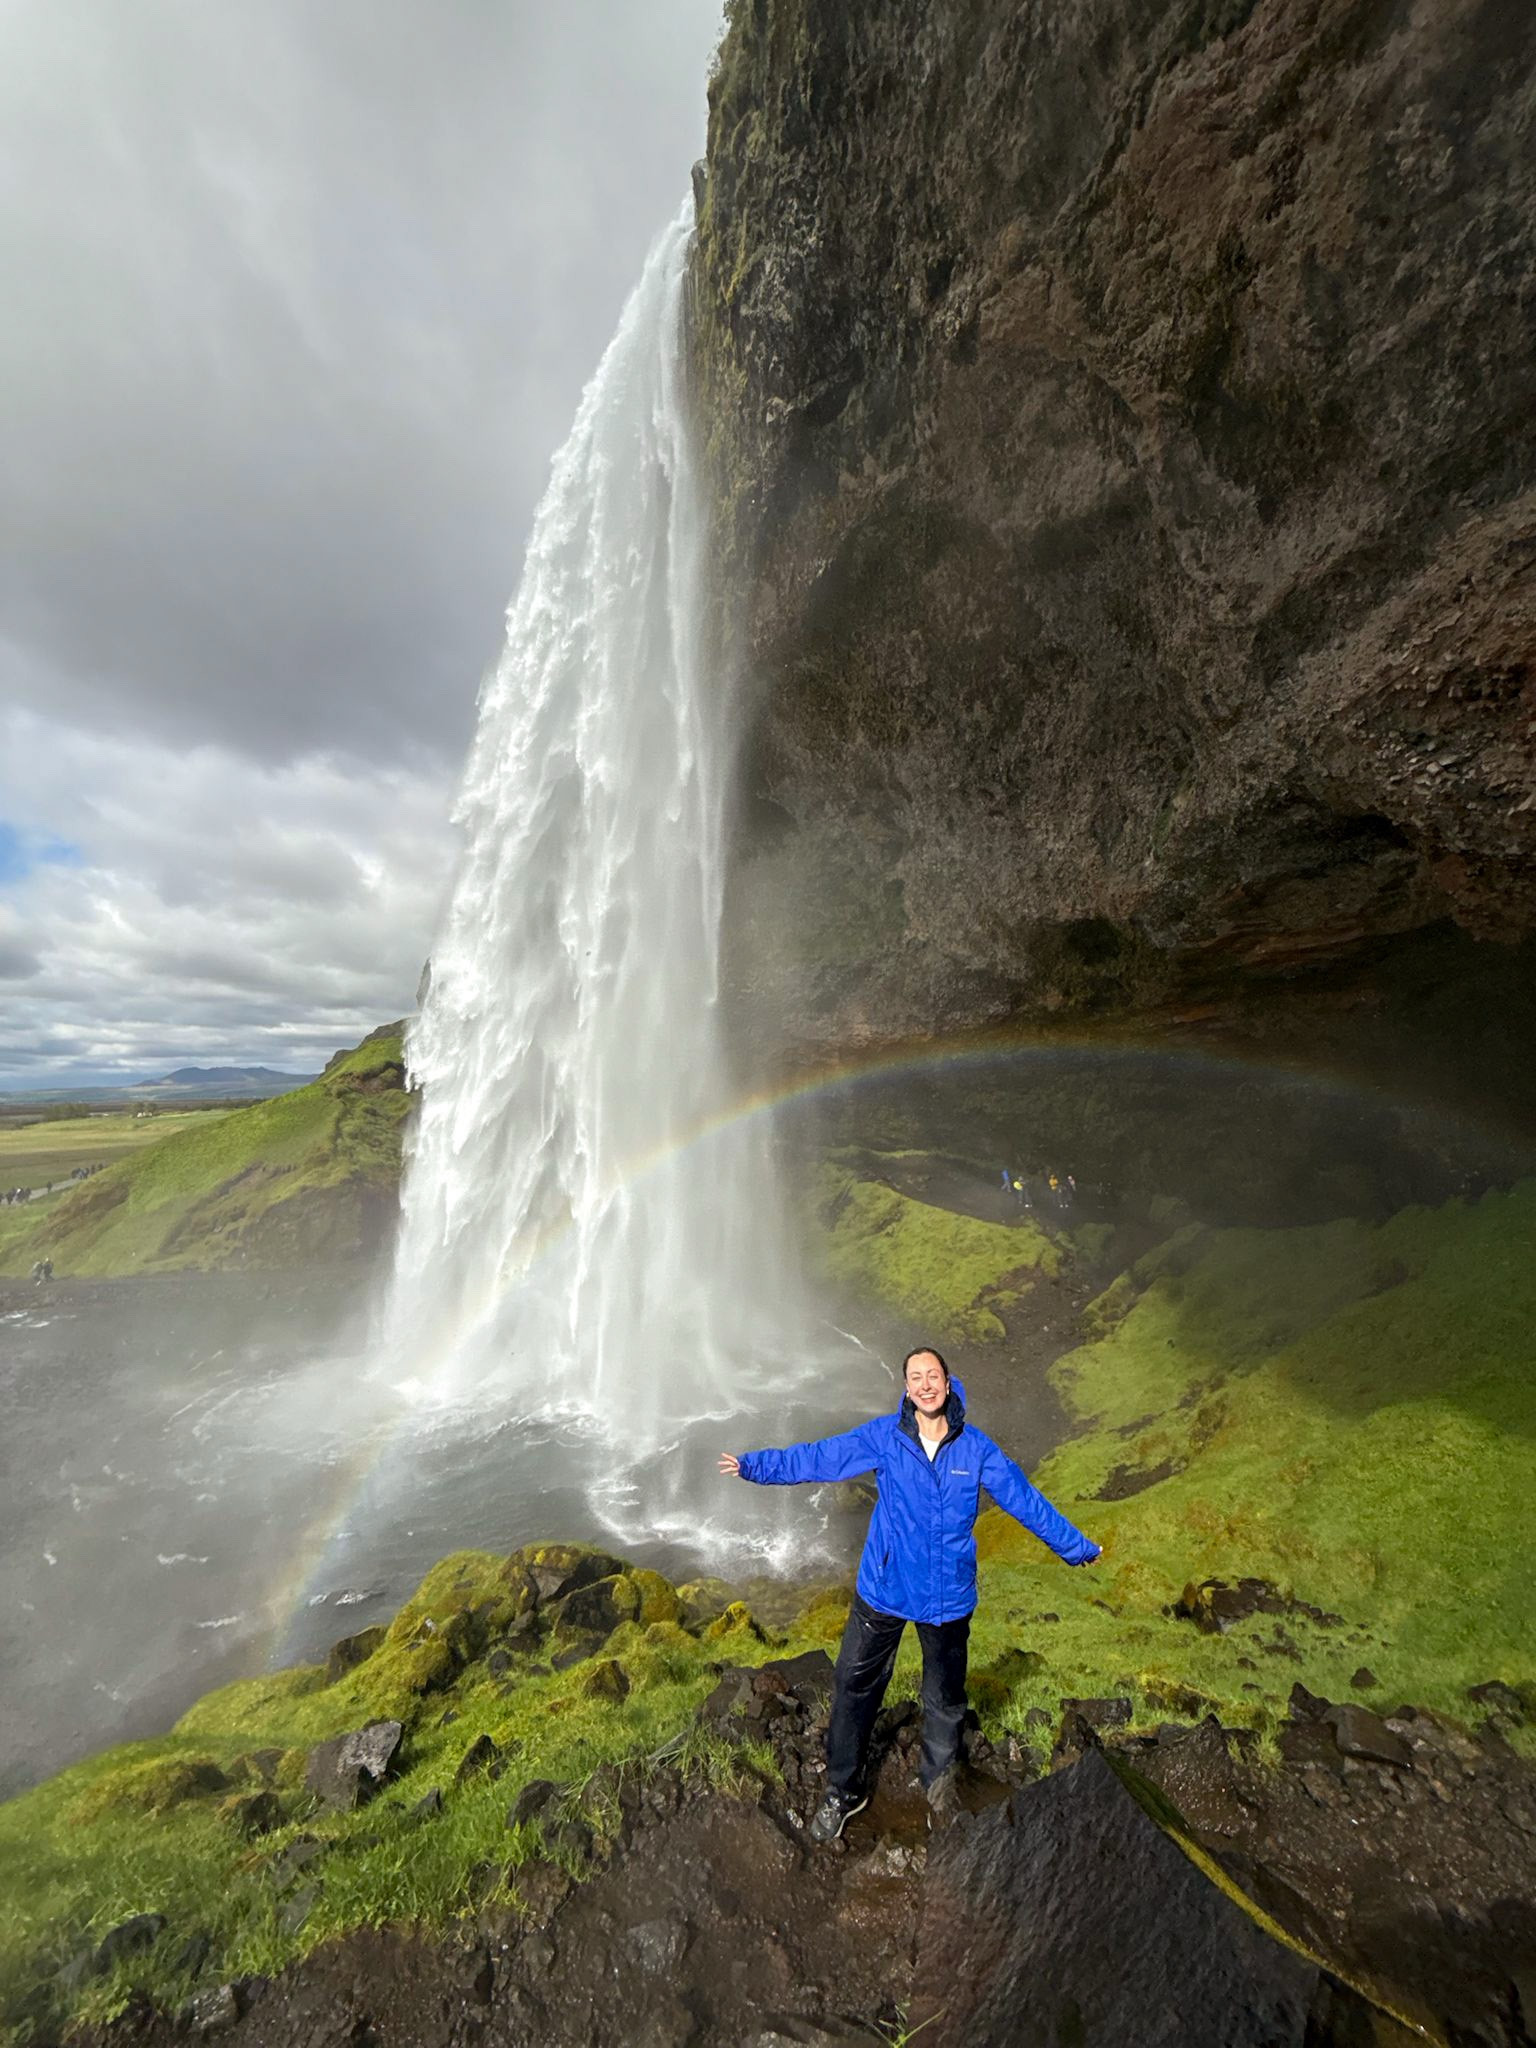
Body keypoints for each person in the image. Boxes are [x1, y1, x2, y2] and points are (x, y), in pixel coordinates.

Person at [719, 1346, 1100, 1843]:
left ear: (947, 1382)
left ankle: (939, 1792)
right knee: (854, 1686)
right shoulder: (884, 1438)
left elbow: (1024, 1500)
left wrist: (1075, 1547)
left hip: (947, 1598)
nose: (925, 1385)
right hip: (885, 1590)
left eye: (933, 1376)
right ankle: (841, 1791)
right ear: (906, 1388)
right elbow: (820, 1457)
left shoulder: (976, 1449)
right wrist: (754, 1466)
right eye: (915, 1377)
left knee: (944, 1700)